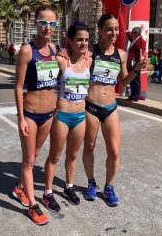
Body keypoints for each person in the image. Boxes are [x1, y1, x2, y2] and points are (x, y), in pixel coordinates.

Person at [82, 14, 146, 206]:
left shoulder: (121, 54)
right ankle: (91, 183)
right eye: (109, 29)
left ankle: (109, 187)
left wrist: (136, 69)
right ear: (100, 29)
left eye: (116, 29)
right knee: (89, 147)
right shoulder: (90, 52)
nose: (114, 33)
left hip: (110, 107)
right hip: (90, 106)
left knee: (115, 152)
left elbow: (123, 82)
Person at [14, 0, 59, 225]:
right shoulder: (26, 51)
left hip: (49, 114)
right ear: (35, 23)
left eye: (52, 23)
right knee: (29, 161)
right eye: (43, 22)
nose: (47, 27)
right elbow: (18, 86)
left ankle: (20, 188)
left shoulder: (55, 50)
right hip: (30, 114)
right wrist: (21, 117)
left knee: (36, 155)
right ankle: (32, 205)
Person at [43, 21, 92, 212]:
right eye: (79, 40)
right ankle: (47, 192)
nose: (84, 44)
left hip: (80, 116)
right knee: (55, 155)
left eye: (87, 40)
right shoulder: (62, 61)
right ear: (70, 41)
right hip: (62, 115)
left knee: (72, 155)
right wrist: (60, 50)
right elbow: (45, 56)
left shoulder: (90, 60)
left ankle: (69, 187)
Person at [125, 26, 146, 101]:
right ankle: (133, 94)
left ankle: (135, 96)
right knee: (132, 79)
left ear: (136, 33)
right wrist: (127, 33)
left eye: (133, 32)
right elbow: (131, 38)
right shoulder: (135, 39)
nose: (131, 34)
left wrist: (138, 64)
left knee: (136, 80)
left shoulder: (141, 41)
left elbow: (141, 53)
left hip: (136, 63)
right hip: (132, 63)